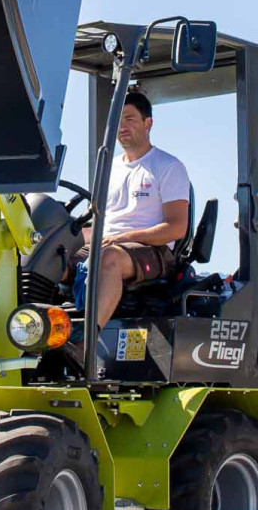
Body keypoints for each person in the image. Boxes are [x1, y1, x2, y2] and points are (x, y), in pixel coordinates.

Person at [76, 88, 190, 330]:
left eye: (129, 119)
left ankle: (86, 340)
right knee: (52, 256)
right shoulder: (108, 168)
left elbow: (176, 228)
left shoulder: (167, 166)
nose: (122, 127)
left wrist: (123, 238)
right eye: (117, 121)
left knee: (109, 259)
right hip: (107, 243)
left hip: (152, 250)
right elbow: (100, 222)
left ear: (148, 123)